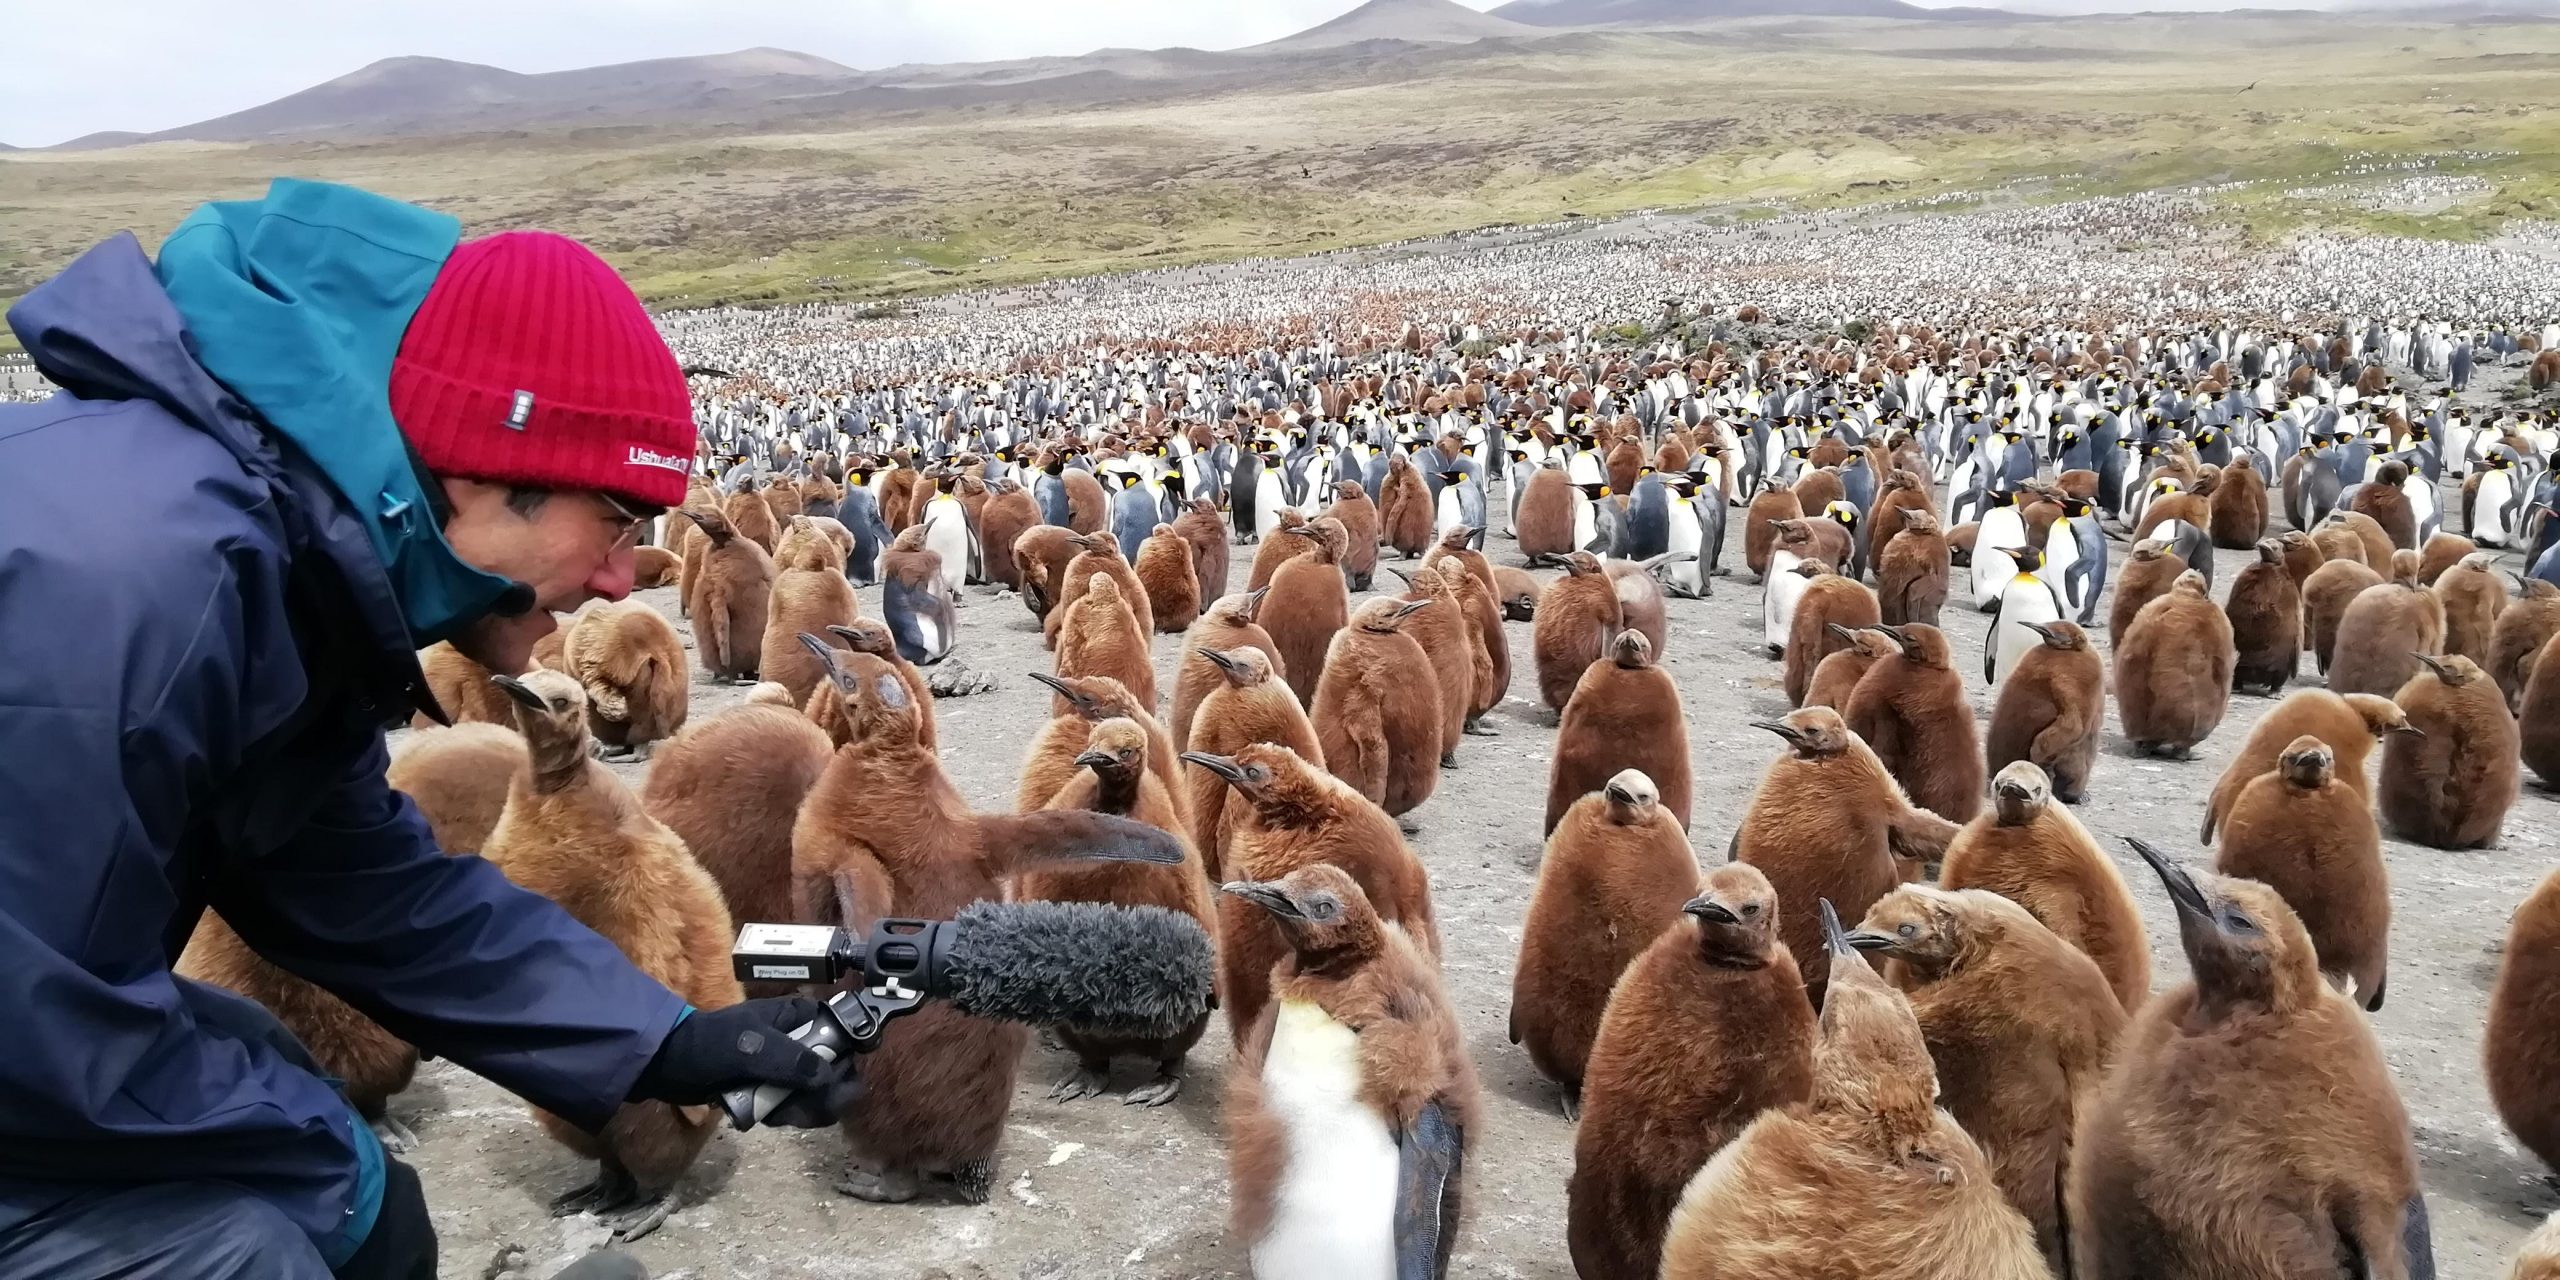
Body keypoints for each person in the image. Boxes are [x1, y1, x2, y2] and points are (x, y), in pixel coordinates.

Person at [0, 179, 849, 1279]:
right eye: (614, 518)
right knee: (246, 1249)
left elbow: (363, 887)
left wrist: (660, 1037)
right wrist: (332, 1184)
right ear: (483, 471)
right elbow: (33, 1026)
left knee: (307, 1143)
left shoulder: (267, 559)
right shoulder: (140, 588)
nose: (613, 576)